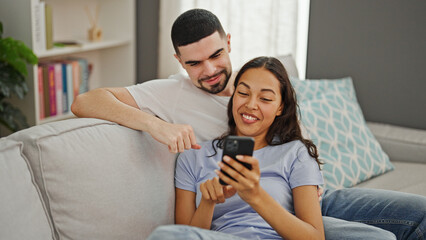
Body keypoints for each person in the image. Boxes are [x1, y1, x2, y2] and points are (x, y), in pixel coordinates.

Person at [72, 8, 426, 240]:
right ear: (179, 61)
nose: (209, 71)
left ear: (228, 43)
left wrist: (306, 180)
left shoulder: (260, 79)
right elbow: (85, 101)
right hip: (247, 206)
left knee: (417, 216)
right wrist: (153, 124)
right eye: (194, 63)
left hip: (312, 192)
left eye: (215, 55)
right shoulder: (172, 94)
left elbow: (293, 139)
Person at [156, 56, 325, 239]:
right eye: (243, 93)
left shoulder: (296, 153)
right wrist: (208, 202)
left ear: (280, 107)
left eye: (265, 99)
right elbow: (184, 235)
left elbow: (315, 237)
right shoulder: (193, 156)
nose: (251, 105)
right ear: (233, 95)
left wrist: (255, 195)